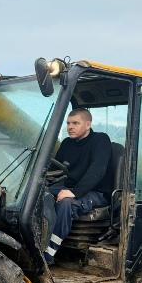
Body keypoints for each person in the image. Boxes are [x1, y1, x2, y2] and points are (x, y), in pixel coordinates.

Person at [44, 108, 113, 264]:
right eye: (68, 123)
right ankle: (35, 241)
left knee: (65, 203)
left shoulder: (101, 140)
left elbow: (97, 171)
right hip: (70, 187)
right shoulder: (67, 143)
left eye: (75, 123)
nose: (70, 127)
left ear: (88, 124)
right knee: (39, 194)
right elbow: (55, 169)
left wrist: (74, 192)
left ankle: (49, 253)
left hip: (96, 191)